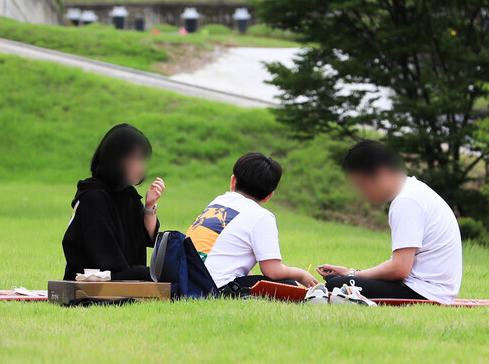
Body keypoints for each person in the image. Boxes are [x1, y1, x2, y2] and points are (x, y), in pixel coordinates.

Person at [317, 140, 462, 304]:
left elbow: (399, 269)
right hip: (432, 289)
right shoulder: (413, 190)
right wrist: (350, 272)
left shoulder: (406, 201)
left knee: (335, 285)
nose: (363, 193)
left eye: (363, 185)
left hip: (424, 292)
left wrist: (351, 275)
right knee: (338, 282)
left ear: (382, 172)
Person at [187, 152, 317, 295]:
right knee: (288, 285)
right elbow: (272, 271)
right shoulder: (262, 217)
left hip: (188, 280)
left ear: (233, 181)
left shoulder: (219, 202)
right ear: (269, 196)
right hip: (216, 287)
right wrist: (301, 274)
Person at [61, 124, 165, 281]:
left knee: (165, 273)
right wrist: (140, 274)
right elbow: (106, 261)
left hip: (120, 274)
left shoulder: (128, 195)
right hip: (91, 279)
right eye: (134, 158)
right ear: (114, 159)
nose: (141, 166)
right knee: (160, 275)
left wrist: (149, 207)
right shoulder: (94, 197)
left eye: (142, 158)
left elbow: (149, 238)